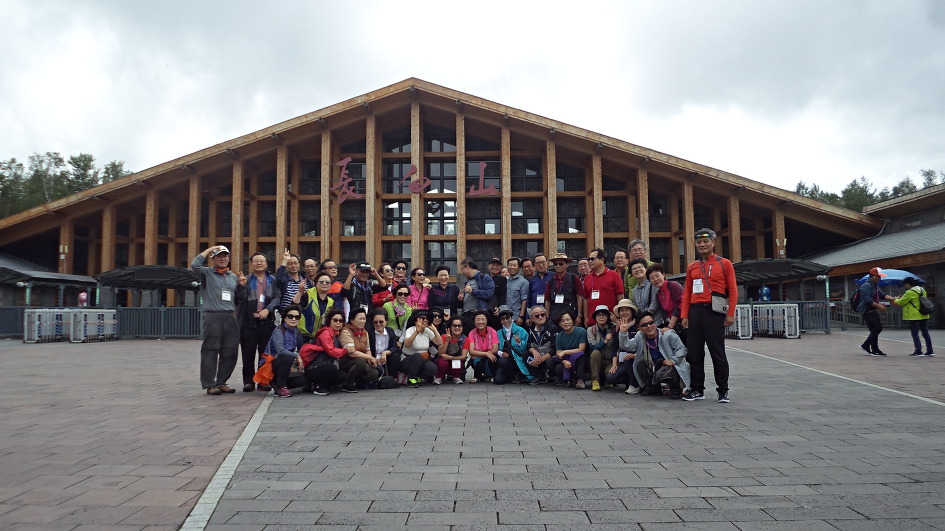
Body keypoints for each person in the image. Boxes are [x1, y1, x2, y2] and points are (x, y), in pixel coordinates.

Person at [680, 228, 738, 403]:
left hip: (714, 311)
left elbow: (733, 289)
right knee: (694, 353)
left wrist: (730, 313)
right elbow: (687, 292)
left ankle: (723, 390)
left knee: (717, 352)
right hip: (695, 312)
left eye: (706, 241)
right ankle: (698, 389)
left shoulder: (724, 263)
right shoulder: (692, 266)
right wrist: (684, 315)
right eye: (698, 242)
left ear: (713, 243)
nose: (702, 245)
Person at [192, 245, 240, 395]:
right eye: (219, 256)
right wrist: (210, 249)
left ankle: (221, 382)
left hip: (230, 316)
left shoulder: (233, 277)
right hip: (213, 315)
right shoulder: (206, 273)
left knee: (230, 350)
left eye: (225, 256)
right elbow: (195, 265)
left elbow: (237, 298)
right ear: (213, 258)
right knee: (210, 350)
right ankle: (209, 384)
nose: (222, 259)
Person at [619, 310, 691, 399]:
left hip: (671, 366)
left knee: (669, 367)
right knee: (639, 365)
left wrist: (673, 361)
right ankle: (653, 388)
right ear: (639, 328)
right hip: (653, 367)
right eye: (645, 325)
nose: (649, 326)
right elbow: (628, 346)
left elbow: (682, 349)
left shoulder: (667, 334)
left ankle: (675, 389)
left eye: (651, 322)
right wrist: (623, 333)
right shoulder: (640, 336)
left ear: (655, 323)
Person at [238, 252, 281, 393]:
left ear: (267, 264)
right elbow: (239, 299)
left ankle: (263, 381)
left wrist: (268, 309)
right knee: (248, 353)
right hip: (248, 322)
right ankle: (248, 382)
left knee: (265, 353)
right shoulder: (245, 280)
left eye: (262, 261)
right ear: (251, 264)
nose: (259, 263)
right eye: (256, 261)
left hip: (267, 322)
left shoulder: (272, 280)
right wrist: (241, 286)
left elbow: (277, 297)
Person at [299, 309, 347, 396]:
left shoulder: (336, 334)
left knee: (342, 376)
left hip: (324, 365)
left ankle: (319, 385)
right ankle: (319, 387)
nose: (338, 323)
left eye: (341, 321)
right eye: (335, 320)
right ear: (329, 321)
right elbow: (331, 350)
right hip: (315, 367)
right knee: (332, 369)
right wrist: (346, 350)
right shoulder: (326, 333)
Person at [264, 304, 305, 398]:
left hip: (288, 364)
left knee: (303, 380)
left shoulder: (297, 332)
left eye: (297, 317)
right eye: (290, 316)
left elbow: (301, 349)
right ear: (285, 318)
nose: (294, 319)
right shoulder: (279, 330)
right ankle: (280, 387)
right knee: (286, 357)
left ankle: (283, 385)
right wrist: (297, 356)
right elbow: (280, 350)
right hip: (273, 364)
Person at [338, 307, 379, 392]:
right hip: (345, 362)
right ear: (352, 320)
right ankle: (347, 384)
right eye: (360, 319)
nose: (363, 321)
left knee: (374, 373)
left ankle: (358, 382)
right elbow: (351, 352)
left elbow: (367, 349)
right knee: (361, 361)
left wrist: (370, 361)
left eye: (364, 319)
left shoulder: (365, 332)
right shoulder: (345, 331)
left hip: (360, 362)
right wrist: (369, 358)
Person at [892, 276, 934, 356]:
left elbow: (900, 302)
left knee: (915, 334)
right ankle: (930, 350)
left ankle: (918, 350)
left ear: (908, 284)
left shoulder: (910, 292)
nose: (905, 286)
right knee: (925, 333)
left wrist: (896, 299)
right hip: (923, 314)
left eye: (905, 285)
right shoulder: (922, 290)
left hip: (914, 316)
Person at [581, 248, 624, 327]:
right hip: (592, 322)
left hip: (611, 320)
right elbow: (586, 299)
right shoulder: (587, 278)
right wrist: (586, 318)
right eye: (589, 259)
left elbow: (620, 297)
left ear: (602, 260)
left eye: (592, 259)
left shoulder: (615, 275)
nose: (590, 261)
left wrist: (619, 317)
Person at [857, 267, 893, 356]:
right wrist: (879, 306)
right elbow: (867, 300)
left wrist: (893, 298)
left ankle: (866, 345)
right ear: (873, 276)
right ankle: (874, 349)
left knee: (877, 328)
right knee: (875, 329)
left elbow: (882, 295)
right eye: (878, 276)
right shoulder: (867, 285)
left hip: (873, 310)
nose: (880, 278)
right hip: (867, 310)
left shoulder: (875, 285)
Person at [606, 299, 640, 393]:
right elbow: (615, 347)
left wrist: (634, 355)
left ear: (632, 311)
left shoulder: (638, 326)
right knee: (611, 377)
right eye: (622, 310)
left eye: (627, 310)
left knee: (629, 360)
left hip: (637, 359)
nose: (624, 313)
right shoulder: (618, 327)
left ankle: (635, 384)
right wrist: (614, 364)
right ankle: (631, 381)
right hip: (622, 361)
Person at [401, 310, 442, 387]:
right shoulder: (410, 330)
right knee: (417, 356)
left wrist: (434, 330)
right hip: (408, 360)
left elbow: (439, 342)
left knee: (433, 369)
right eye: (422, 318)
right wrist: (417, 331)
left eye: (427, 319)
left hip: (423, 359)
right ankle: (411, 378)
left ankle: (418, 376)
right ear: (416, 321)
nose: (425, 320)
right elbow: (407, 344)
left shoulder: (427, 331)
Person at [494, 305, 531, 384]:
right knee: (498, 380)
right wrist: (501, 353)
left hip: (518, 359)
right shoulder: (498, 333)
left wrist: (519, 343)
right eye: (502, 319)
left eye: (507, 318)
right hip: (505, 359)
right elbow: (495, 348)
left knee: (503, 362)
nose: (505, 320)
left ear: (512, 318)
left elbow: (527, 348)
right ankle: (512, 376)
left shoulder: (521, 331)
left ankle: (516, 375)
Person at [293, 272, 336, 338]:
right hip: (302, 335)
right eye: (321, 282)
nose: (324, 284)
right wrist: (300, 292)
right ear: (315, 283)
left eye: (327, 282)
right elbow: (293, 307)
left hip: (319, 337)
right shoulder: (307, 295)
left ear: (331, 285)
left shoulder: (331, 302)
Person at [552, 311, 588, 388]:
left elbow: (581, 349)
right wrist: (564, 361)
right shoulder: (559, 336)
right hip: (567, 359)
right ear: (559, 323)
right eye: (562, 321)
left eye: (568, 319)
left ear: (572, 320)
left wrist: (565, 352)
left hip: (579, 358)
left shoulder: (581, 331)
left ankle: (580, 380)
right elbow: (559, 353)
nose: (566, 322)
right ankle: (569, 380)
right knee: (554, 364)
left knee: (580, 358)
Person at [458, 259, 495, 332]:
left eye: (462, 269)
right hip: (466, 315)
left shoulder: (484, 277)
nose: (462, 272)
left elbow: (489, 294)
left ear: (467, 267)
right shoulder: (468, 281)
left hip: (477, 315)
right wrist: (462, 298)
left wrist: (473, 291)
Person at [586, 304, 617, 391]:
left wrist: (616, 320)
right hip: (597, 362)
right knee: (595, 352)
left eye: (604, 315)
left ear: (608, 316)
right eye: (598, 315)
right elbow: (592, 347)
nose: (601, 317)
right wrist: (604, 341)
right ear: (595, 317)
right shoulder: (591, 330)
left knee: (610, 376)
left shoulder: (614, 327)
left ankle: (607, 380)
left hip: (610, 361)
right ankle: (595, 380)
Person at [545, 253, 583, 324]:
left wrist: (579, 315)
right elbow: (547, 300)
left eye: (561, 264)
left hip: (571, 315)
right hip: (555, 316)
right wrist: (547, 317)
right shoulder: (550, 281)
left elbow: (579, 297)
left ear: (567, 264)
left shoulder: (574, 278)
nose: (558, 266)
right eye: (555, 264)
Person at [464, 309, 499, 383]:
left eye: (483, 319)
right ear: (474, 321)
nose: (480, 322)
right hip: (478, 358)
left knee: (492, 359)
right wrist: (486, 354)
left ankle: (491, 375)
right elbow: (471, 351)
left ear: (487, 321)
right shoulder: (471, 333)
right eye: (478, 319)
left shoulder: (492, 331)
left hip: (489, 357)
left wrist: (482, 354)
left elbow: (495, 349)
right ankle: (478, 376)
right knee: (477, 361)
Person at [368, 309, 403, 383]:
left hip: (386, 358)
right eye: (375, 322)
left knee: (395, 356)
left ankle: (393, 379)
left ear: (386, 321)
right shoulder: (369, 332)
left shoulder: (390, 331)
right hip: (373, 359)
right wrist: (374, 358)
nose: (378, 324)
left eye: (381, 322)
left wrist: (385, 353)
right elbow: (367, 349)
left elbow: (395, 347)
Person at [647, 263, 684, 334]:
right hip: (674, 326)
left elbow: (678, 307)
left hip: (684, 323)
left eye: (657, 276)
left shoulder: (673, 285)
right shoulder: (658, 294)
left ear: (663, 275)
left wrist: (670, 326)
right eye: (651, 278)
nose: (655, 279)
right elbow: (664, 314)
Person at [525, 304, 556, 383]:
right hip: (538, 356)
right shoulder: (530, 329)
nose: (540, 317)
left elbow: (555, 349)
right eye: (537, 315)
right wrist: (534, 351)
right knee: (525, 354)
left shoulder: (552, 328)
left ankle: (552, 375)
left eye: (542, 314)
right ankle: (539, 376)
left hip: (548, 357)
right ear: (532, 318)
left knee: (550, 361)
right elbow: (528, 344)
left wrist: (542, 359)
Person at [436, 315, 467, 384]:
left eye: (459, 326)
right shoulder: (444, 336)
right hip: (444, 362)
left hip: (455, 362)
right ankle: (439, 377)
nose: (457, 328)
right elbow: (440, 354)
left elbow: (463, 357)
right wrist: (447, 341)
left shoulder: (465, 339)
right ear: (450, 327)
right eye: (454, 325)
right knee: (442, 362)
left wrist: (449, 357)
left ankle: (456, 376)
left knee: (458, 362)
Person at [505, 257, 530, 326]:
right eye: (510, 265)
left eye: (514, 265)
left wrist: (521, 316)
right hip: (505, 317)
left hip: (516, 317)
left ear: (519, 267)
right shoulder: (504, 280)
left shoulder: (524, 282)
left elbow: (524, 300)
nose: (512, 267)